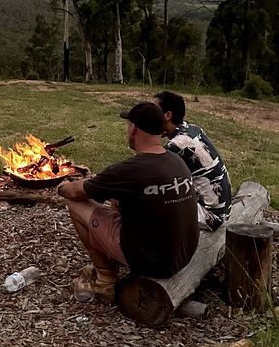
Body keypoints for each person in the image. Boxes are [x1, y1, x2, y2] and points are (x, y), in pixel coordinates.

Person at [58, 101, 199, 303]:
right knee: (117, 198)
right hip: (182, 256)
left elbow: (75, 193)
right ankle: (113, 260)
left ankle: (105, 280)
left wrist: (61, 186)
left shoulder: (130, 169)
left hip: (153, 262)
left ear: (133, 129)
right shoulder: (175, 161)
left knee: (76, 206)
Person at [154, 90, 232, 232]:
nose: (150, 115)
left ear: (167, 115)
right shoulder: (193, 130)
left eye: (154, 111)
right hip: (223, 209)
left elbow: (148, 170)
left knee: (153, 199)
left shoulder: (178, 145)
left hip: (210, 216)